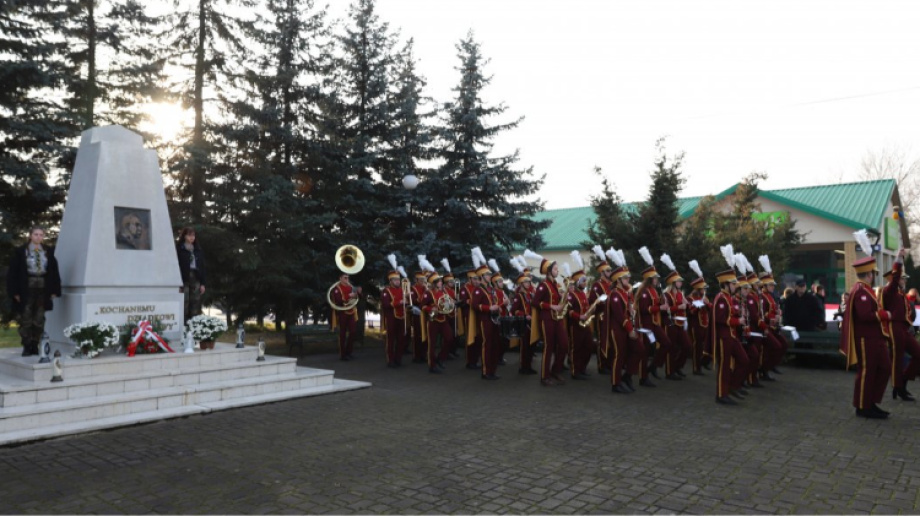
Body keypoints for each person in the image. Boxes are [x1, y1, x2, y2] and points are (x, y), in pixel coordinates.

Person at [839, 254, 892, 419]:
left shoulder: (866, 289)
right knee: (867, 372)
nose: (874, 276)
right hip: (866, 339)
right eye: (873, 273)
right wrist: (885, 314)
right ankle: (862, 406)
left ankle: (871, 401)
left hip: (875, 337)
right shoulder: (861, 291)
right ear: (869, 274)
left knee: (884, 368)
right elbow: (865, 315)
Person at [6, 227, 62, 356]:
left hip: (43, 288)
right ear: (30, 235)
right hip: (26, 288)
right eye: (36, 234)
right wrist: (15, 292)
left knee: (39, 318)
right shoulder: (21, 252)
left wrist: (55, 290)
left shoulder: (48, 252)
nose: (38, 237)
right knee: (26, 318)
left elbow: (54, 272)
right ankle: (26, 345)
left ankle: (35, 344)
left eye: (41, 235)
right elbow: (13, 273)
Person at [880, 248, 919, 401]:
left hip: (904, 328)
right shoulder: (889, 290)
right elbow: (895, 276)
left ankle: (903, 381)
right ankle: (898, 387)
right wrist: (898, 258)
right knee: (897, 358)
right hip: (894, 327)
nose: (905, 281)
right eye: (903, 279)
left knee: (918, 354)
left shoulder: (901, 293)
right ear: (894, 279)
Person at [711, 267, 750, 405]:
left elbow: (730, 313)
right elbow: (720, 319)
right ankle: (721, 394)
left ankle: (733, 386)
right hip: (724, 337)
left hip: (732, 336)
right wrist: (738, 321)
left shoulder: (728, 297)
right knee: (724, 366)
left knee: (744, 360)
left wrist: (740, 314)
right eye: (733, 284)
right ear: (726, 284)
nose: (735, 286)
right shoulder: (721, 298)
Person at [531, 258, 569, 386]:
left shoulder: (555, 284)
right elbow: (535, 302)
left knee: (564, 344)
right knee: (549, 347)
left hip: (557, 319)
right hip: (547, 319)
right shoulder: (543, 285)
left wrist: (563, 299)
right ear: (548, 271)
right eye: (555, 269)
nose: (557, 270)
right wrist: (551, 306)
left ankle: (555, 370)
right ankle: (544, 376)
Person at [469, 264, 501, 380]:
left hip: (494, 320)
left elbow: (494, 301)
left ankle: (492, 370)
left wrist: (498, 307)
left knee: (495, 345)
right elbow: (474, 305)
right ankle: (486, 372)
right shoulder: (478, 290)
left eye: (490, 274)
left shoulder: (491, 289)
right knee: (486, 345)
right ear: (482, 276)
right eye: (487, 274)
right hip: (485, 320)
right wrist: (489, 308)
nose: (489, 276)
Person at [421, 271, 452, 374]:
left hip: (443, 318)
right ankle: (432, 366)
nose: (441, 282)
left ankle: (440, 358)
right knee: (432, 344)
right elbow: (423, 306)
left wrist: (449, 305)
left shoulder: (443, 292)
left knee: (449, 338)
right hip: (433, 320)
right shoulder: (428, 293)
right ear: (434, 283)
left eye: (440, 281)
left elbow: (447, 304)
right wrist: (431, 309)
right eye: (439, 281)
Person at [566, 269, 593, 380]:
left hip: (586, 325)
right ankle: (575, 371)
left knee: (588, 347)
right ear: (577, 282)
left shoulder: (583, 294)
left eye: (585, 280)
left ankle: (582, 368)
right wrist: (579, 316)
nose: (585, 282)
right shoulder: (572, 295)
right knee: (576, 349)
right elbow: (569, 311)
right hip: (576, 326)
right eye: (583, 281)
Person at [176, 227, 207, 323]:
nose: (192, 237)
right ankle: (183, 324)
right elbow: (176, 265)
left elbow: (202, 266)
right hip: (183, 278)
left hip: (196, 277)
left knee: (195, 301)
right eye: (189, 235)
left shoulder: (198, 249)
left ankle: (194, 324)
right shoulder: (179, 248)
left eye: (193, 235)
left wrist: (203, 283)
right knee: (184, 301)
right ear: (184, 236)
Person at [330, 272, 361, 361]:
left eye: (348, 278)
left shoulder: (351, 287)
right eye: (345, 278)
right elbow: (338, 301)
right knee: (342, 334)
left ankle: (349, 352)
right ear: (340, 278)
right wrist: (349, 296)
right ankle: (343, 355)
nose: (347, 279)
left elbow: (358, 297)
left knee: (353, 332)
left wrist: (358, 292)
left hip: (351, 312)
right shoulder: (337, 288)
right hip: (342, 312)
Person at [379, 270, 407, 368]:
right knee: (390, 340)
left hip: (401, 317)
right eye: (395, 280)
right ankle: (390, 360)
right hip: (391, 318)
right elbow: (385, 304)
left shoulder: (402, 290)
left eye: (398, 280)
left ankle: (398, 359)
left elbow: (406, 302)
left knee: (401, 340)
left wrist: (407, 301)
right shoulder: (386, 291)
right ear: (390, 281)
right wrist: (399, 302)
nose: (398, 281)